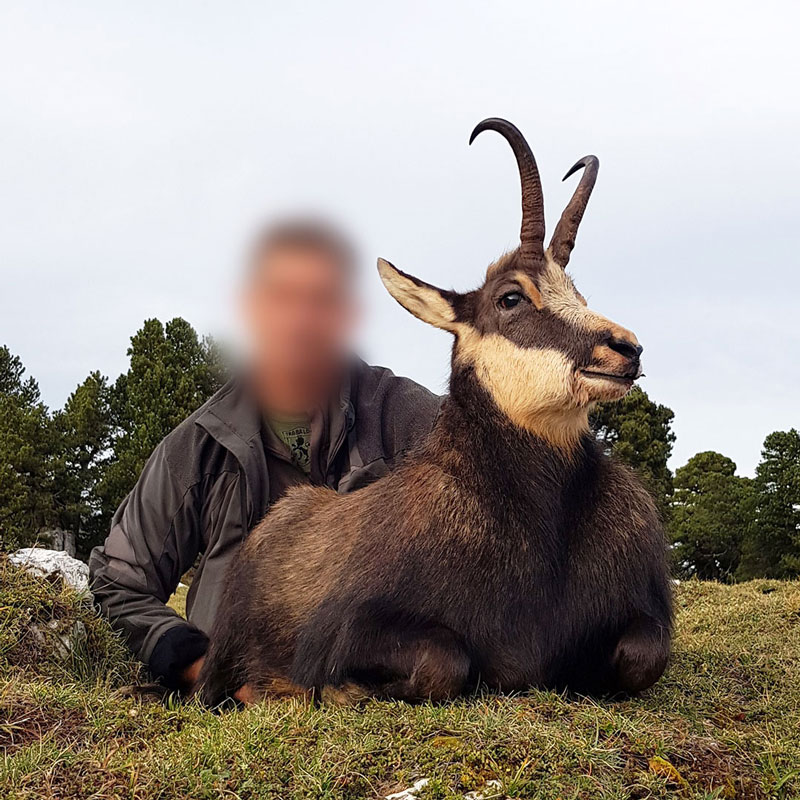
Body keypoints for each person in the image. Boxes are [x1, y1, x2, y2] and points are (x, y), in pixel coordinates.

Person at [88, 220, 441, 694]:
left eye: (318, 301)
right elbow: (117, 584)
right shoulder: (198, 445)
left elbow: (493, 493)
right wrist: (204, 668)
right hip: (236, 713)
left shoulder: (402, 414)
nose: (297, 323)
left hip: (386, 694)